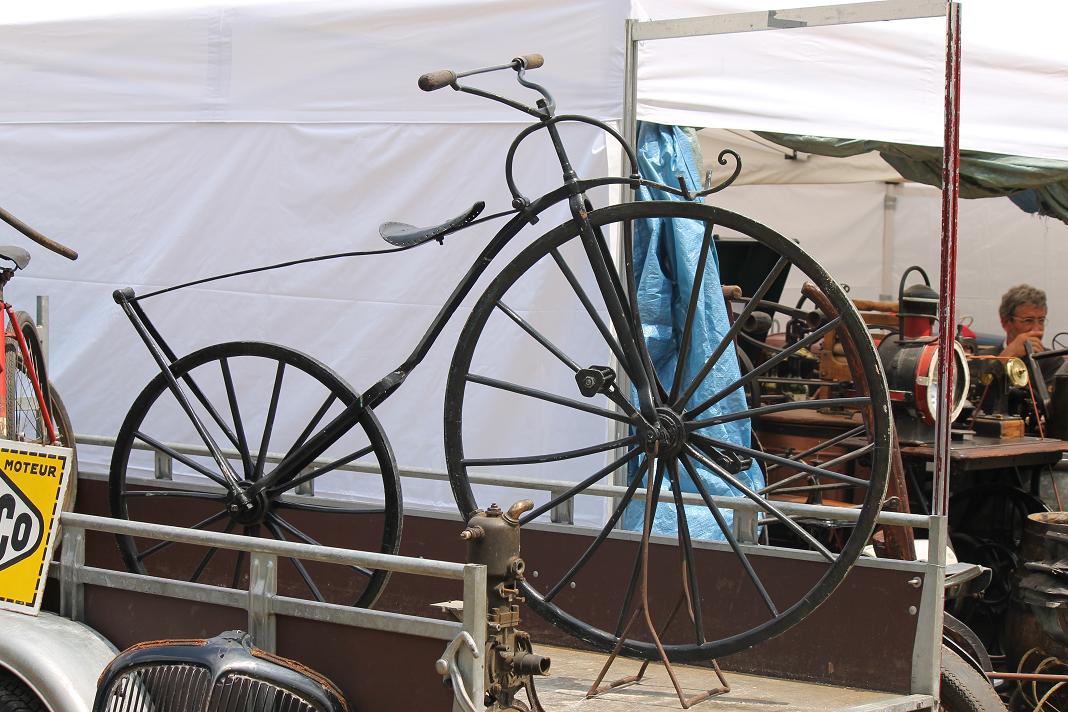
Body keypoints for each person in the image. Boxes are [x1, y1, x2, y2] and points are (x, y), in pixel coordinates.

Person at [998, 284, 1061, 382]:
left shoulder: (1053, 362)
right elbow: (981, 389)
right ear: (1005, 322)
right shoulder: (984, 358)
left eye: (1041, 320)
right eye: (1028, 320)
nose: (1037, 330)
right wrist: (1005, 358)